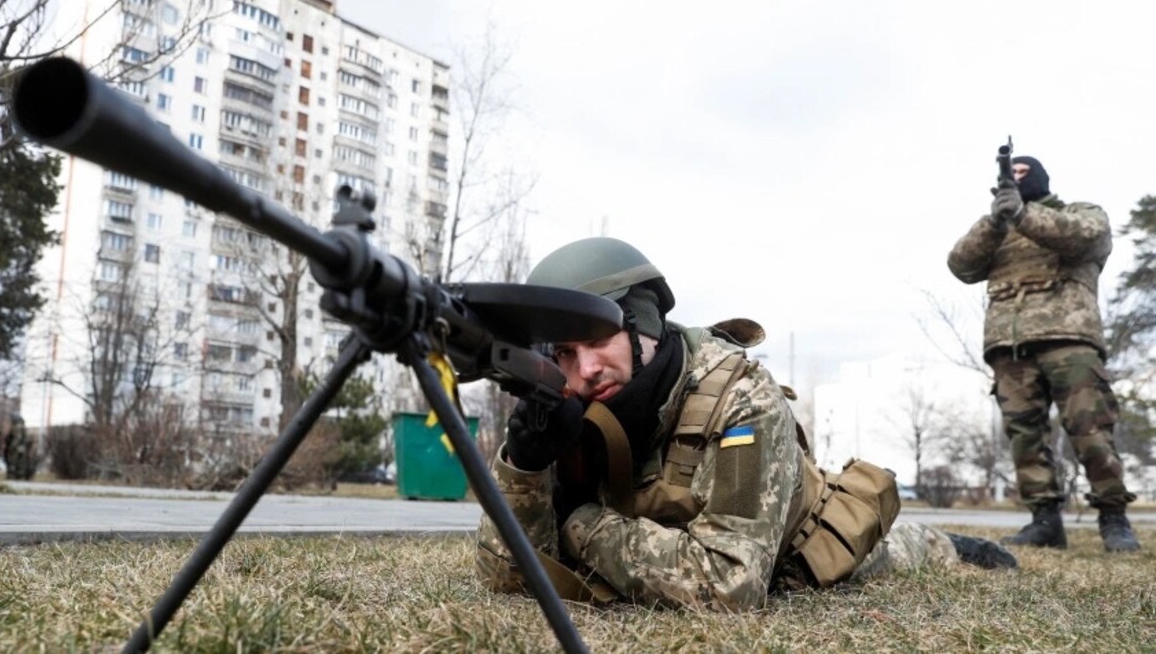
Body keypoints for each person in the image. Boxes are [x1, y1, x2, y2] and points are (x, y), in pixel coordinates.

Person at [476, 238, 1016, 611]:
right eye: (566, 352)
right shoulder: (565, 400)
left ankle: (952, 542)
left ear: (642, 322)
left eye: (598, 341)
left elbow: (729, 589)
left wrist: (579, 523)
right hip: (667, 532)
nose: (586, 370)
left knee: (898, 547)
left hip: (799, 543)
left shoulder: (741, 398)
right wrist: (523, 466)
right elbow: (505, 576)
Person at [948, 155, 1139, 553]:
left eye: (1022, 172)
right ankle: (1045, 521)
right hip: (1009, 346)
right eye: (1009, 173)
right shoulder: (998, 230)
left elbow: (1086, 236)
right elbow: (961, 264)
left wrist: (1023, 214)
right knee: (1024, 437)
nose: (1015, 178)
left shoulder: (1079, 212)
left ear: (1040, 179)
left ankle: (1113, 518)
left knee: (1091, 431)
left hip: (1069, 338)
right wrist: (996, 221)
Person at [4, 414, 28, 480]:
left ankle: (11, 477)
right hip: (21, 448)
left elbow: (17, 438)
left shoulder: (17, 426)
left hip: (15, 448)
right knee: (20, 464)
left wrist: (11, 447)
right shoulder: (22, 426)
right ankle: (20, 477)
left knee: (12, 463)